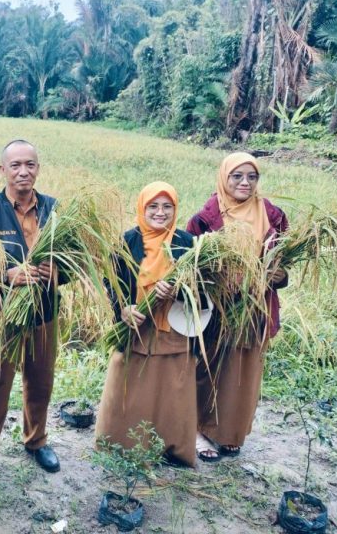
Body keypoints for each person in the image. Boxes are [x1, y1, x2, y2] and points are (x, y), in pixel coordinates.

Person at [0, 139, 61, 483]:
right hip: (1, 316)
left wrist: (58, 272)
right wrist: (6, 275)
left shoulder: (54, 209)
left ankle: (36, 441)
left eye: (30, 164)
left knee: (41, 381)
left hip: (44, 313)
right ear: (2, 170)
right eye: (16, 165)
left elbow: (75, 258)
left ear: (38, 168)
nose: (24, 171)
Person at [187, 152, 288, 462]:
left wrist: (276, 275)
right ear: (224, 177)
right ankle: (197, 429)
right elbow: (189, 266)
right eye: (237, 176)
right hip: (217, 309)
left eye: (252, 177)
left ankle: (230, 432)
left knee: (243, 373)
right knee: (208, 367)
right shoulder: (205, 218)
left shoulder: (272, 215)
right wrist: (219, 280)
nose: (245, 182)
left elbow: (284, 263)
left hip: (256, 308)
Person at [94, 182, 197, 467]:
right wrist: (123, 309)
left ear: (176, 210)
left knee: (171, 393)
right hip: (136, 330)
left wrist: (179, 291)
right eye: (153, 206)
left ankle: (170, 449)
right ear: (142, 207)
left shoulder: (187, 243)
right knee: (129, 389)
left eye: (167, 207)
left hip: (174, 333)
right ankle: (119, 446)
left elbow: (202, 286)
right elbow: (111, 282)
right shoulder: (127, 241)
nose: (160, 212)